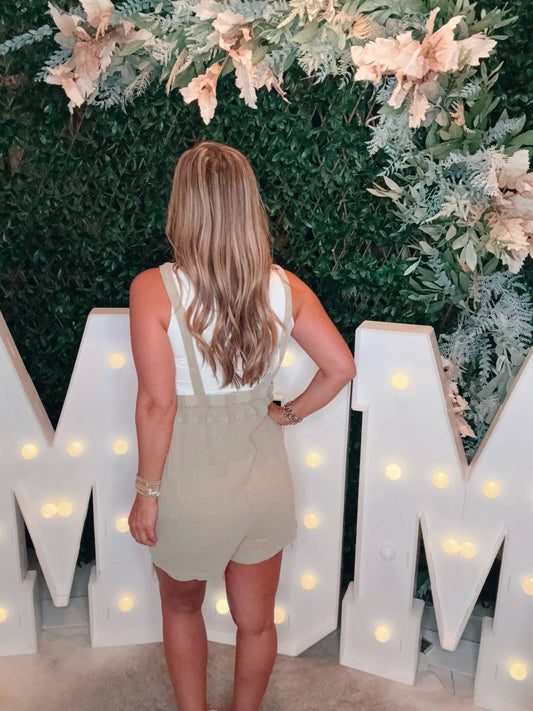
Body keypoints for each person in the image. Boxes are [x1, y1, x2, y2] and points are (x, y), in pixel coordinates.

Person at [127, 140, 356, 711]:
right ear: (248, 206)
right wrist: (286, 413)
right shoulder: (285, 286)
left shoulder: (154, 289)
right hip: (263, 482)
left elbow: (158, 405)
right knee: (256, 623)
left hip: (189, 485)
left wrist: (147, 494)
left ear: (184, 207)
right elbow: (341, 368)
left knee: (181, 608)